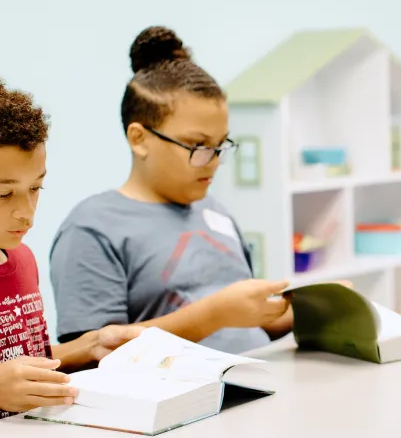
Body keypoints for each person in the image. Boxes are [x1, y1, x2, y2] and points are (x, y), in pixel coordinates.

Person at [50, 26, 292, 355]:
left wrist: (308, 308)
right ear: (139, 139)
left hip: (259, 377)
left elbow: (248, 326)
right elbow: (91, 354)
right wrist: (213, 314)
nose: (214, 161)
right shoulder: (93, 227)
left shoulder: (216, 211)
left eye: (221, 145)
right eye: (198, 146)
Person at [0, 80, 141, 417]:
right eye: (4, 194)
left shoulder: (23, 258)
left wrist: (91, 345)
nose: (27, 212)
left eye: (36, 188)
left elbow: (26, 359)